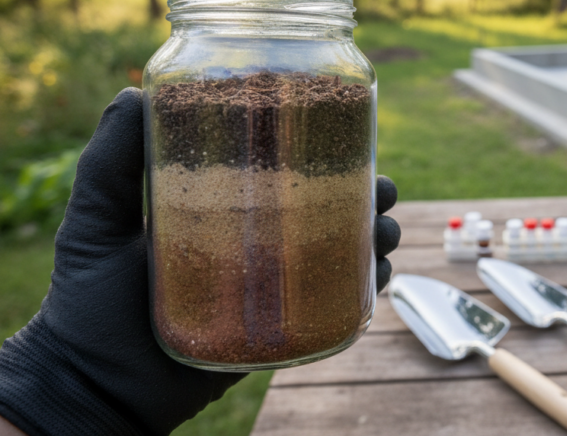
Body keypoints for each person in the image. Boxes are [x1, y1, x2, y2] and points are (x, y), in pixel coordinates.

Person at [0, 89, 402, 436]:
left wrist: (62, 398)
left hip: (333, 313)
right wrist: (78, 375)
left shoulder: (349, 77)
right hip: (174, 323)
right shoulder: (173, 78)